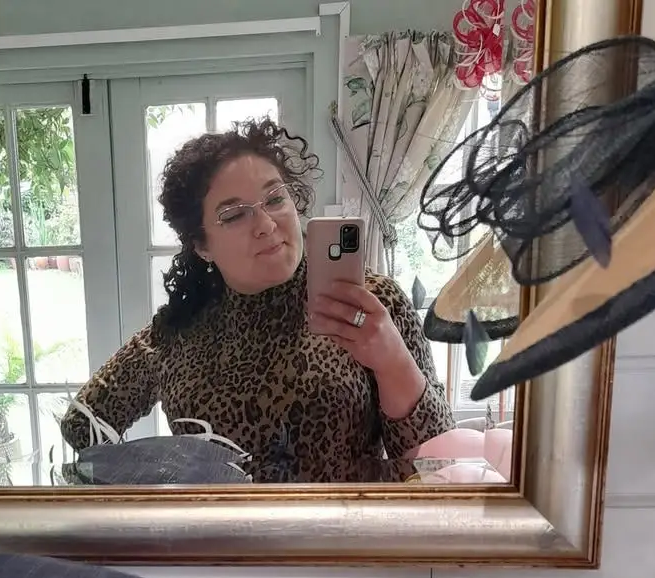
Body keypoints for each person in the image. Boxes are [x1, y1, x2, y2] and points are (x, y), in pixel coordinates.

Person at [60, 118, 455, 483]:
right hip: (225, 538)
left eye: (275, 199)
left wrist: (392, 361)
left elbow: (438, 463)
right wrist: (167, 476)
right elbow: (81, 426)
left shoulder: (374, 302)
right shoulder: (177, 334)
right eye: (234, 215)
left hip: (346, 533)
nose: (266, 225)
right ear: (202, 245)